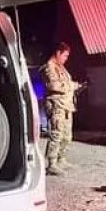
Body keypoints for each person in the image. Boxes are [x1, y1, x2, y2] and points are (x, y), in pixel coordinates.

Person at [40, 42, 86, 175]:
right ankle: (52, 164)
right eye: (65, 56)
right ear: (58, 53)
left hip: (66, 106)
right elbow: (54, 86)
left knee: (66, 136)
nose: (66, 59)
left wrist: (78, 86)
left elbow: (67, 82)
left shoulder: (61, 68)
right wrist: (72, 86)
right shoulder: (49, 67)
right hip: (57, 106)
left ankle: (61, 159)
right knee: (56, 135)